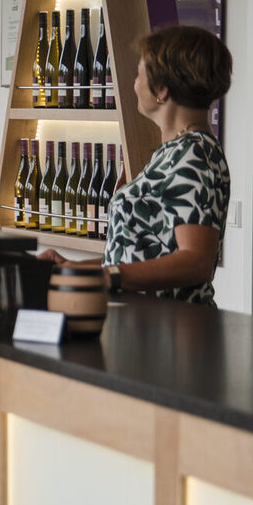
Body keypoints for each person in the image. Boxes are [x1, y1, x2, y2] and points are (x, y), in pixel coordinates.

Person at [39, 24, 232, 306]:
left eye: (139, 74)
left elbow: (196, 261)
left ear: (162, 90)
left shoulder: (193, 153)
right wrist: (74, 268)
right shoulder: (174, 150)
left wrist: (109, 277)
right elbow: (143, 255)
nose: (133, 83)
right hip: (148, 324)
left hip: (171, 332)